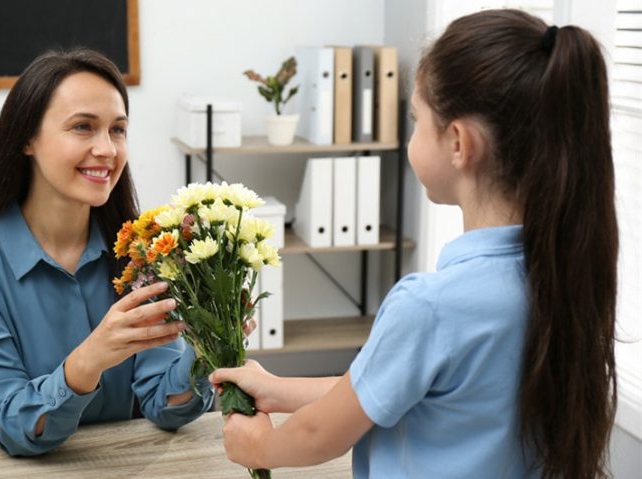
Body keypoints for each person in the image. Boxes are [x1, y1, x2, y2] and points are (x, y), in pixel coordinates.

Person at [209, 9, 617, 479]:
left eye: (416, 119)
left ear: (459, 142)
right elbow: (389, 389)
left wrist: (261, 446)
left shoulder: (430, 305)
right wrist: (278, 389)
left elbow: (320, 434)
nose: (409, 138)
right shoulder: (560, 275)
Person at [0, 48, 215, 456]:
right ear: (27, 138)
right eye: (83, 127)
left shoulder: (145, 251)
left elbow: (166, 406)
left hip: (124, 464)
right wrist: (88, 361)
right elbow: (14, 426)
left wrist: (206, 345)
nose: (107, 149)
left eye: (117, 130)